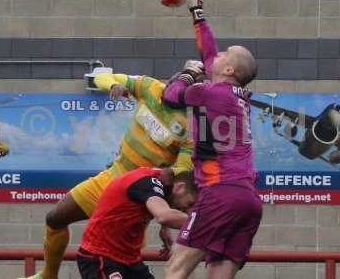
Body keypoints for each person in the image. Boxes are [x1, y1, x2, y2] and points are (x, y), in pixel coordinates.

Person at [20, 63, 203, 279]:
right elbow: (102, 77)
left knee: (122, 255)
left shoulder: (190, 127)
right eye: (180, 80)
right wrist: (113, 84)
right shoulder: (149, 87)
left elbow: (180, 174)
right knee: (55, 218)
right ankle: (48, 276)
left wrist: (165, 207)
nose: (176, 89)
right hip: (111, 178)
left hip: (139, 197)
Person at [162, 0, 262, 279]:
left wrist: (186, 75)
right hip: (248, 201)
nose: (218, 54)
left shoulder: (210, 93)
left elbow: (170, 97)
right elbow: (208, 54)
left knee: (176, 267)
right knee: (218, 274)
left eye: (225, 54)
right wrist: (197, 12)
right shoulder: (233, 93)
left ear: (229, 68)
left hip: (220, 193)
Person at [77, 167, 198, 279]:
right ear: (180, 187)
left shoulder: (163, 184)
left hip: (130, 259)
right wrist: (209, 223)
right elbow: (164, 216)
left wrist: (164, 228)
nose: (187, 210)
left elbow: (162, 207)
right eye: (190, 204)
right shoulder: (147, 182)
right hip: (100, 255)